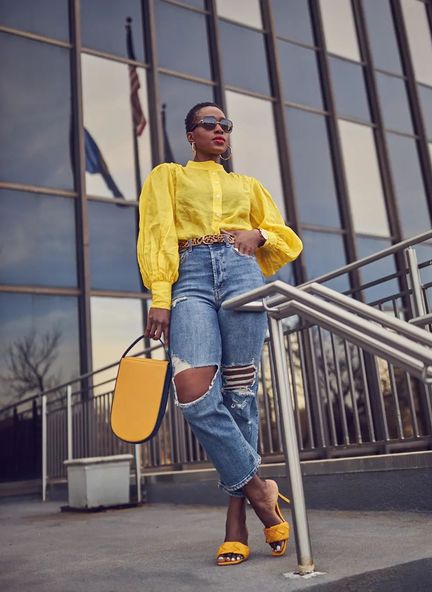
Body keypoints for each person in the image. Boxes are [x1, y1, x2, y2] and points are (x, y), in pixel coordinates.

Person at [136, 101, 303, 566]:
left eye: (225, 125)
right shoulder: (167, 176)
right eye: (209, 124)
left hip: (241, 275)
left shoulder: (247, 186)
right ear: (190, 134)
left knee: (239, 395)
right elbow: (156, 233)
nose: (220, 130)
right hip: (189, 277)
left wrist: (260, 237)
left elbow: (284, 235)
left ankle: (236, 522)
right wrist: (161, 298)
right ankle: (259, 488)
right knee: (191, 389)